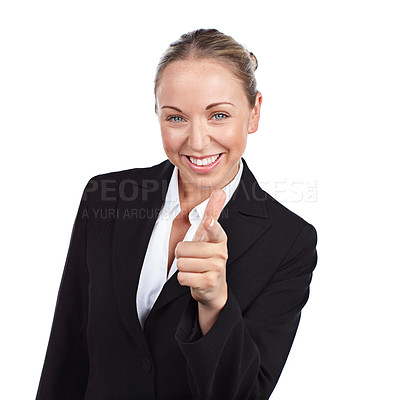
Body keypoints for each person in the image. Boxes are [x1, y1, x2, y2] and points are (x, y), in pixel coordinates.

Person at [36, 28, 318, 400]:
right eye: (176, 118)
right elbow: (68, 348)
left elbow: (244, 393)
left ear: (254, 112)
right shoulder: (106, 199)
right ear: (157, 113)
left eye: (218, 115)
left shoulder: (289, 241)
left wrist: (215, 303)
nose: (197, 141)